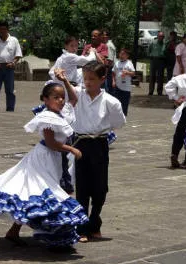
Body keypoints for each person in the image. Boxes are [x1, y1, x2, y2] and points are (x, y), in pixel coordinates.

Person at [0, 81, 88, 248]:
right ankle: (53, 235)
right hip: (45, 158)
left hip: (54, 158)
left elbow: (74, 99)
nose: (60, 100)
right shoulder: (48, 117)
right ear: (45, 99)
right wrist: (71, 150)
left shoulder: (61, 113)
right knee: (42, 192)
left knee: (40, 193)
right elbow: (51, 143)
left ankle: (15, 231)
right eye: (56, 97)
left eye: (62, 97)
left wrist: (65, 81)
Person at [55, 61, 126, 242]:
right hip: (81, 143)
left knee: (100, 188)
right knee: (83, 187)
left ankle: (95, 222)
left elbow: (119, 123)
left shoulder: (111, 102)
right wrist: (62, 78)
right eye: (85, 78)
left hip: (99, 143)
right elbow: (68, 90)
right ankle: (82, 228)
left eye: (92, 79)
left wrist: (103, 128)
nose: (88, 82)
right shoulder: (78, 94)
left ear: (102, 79)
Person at [112, 48, 135, 116]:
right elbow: (113, 73)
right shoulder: (117, 63)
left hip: (126, 88)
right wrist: (113, 81)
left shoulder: (129, 63)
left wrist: (127, 72)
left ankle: (123, 116)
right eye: (120, 54)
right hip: (118, 86)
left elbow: (133, 73)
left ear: (127, 56)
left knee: (125, 103)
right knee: (116, 102)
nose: (121, 55)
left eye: (123, 54)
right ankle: (117, 115)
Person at [148, 31, 166, 96]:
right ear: (157, 36)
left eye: (162, 36)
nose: (161, 37)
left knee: (160, 77)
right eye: (160, 36)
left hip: (161, 61)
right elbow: (148, 50)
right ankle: (151, 91)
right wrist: (150, 56)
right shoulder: (153, 42)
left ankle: (159, 91)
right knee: (152, 76)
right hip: (153, 60)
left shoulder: (165, 44)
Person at [102, 30, 117, 95]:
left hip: (108, 70)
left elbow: (109, 61)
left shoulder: (108, 45)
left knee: (107, 89)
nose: (102, 37)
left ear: (107, 37)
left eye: (104, 35)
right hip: (108, 70)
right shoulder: (106, 44)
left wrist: (105, 73)